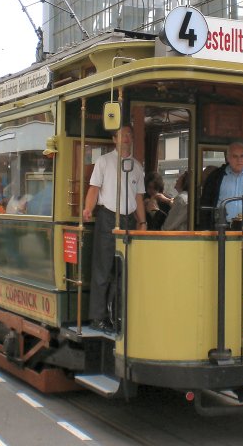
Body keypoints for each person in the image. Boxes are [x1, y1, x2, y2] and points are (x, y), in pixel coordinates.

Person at [82, 126, 146, 332]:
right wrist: (87, 209)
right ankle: (98, 318)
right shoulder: (104, 161)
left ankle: (117, 315)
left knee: (123, 271)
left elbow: (138, 197)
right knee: (103, 268)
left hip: (128, 219)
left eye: (129, 134)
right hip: (108, 217)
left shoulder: (137, 166)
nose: (126, 138)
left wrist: (142, 222)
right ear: (114, 139)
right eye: (122, 135)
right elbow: (94, 188)